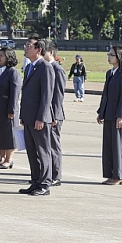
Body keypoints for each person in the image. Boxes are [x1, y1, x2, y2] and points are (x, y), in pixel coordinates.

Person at [19, 36, 54, 196]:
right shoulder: (29, 67)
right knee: (32, 152)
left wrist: (41, 117)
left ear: (38, 49)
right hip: (28, 117)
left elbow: (46, 96)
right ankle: (35, 181)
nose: (26, 48)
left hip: (39, 119)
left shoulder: (45, 67)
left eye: (29, 46)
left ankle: (45, 183)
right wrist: (23, 114)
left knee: (42, 151)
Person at [97, 45, 122, 185]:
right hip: (109, 114)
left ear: (119, 57)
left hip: (118, 115)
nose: (109, 57)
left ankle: (118, 175)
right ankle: (111, 174)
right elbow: (105, 95)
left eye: (111, 55)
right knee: (109, 146)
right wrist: (101, 112)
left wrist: (121, 116)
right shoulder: (110, 73)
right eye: (109, 54)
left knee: (118, 146)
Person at [0, 47, 21, 170]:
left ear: (8, 58)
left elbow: (15, 93)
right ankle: (2, 158)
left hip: (8, 109)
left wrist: (12, 110)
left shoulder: (12, 72)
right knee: (0, 134)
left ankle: (9, 159)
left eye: (2, 55)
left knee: (9, 134)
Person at [43, 40, 65, 186]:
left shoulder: (57, 69)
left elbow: (58, 95)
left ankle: (56, 175)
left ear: (51, 52)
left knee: (53, 146)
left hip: (54, 115)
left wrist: (55, 115)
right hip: (45, 114)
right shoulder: (43, 68)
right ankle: (47, 174)